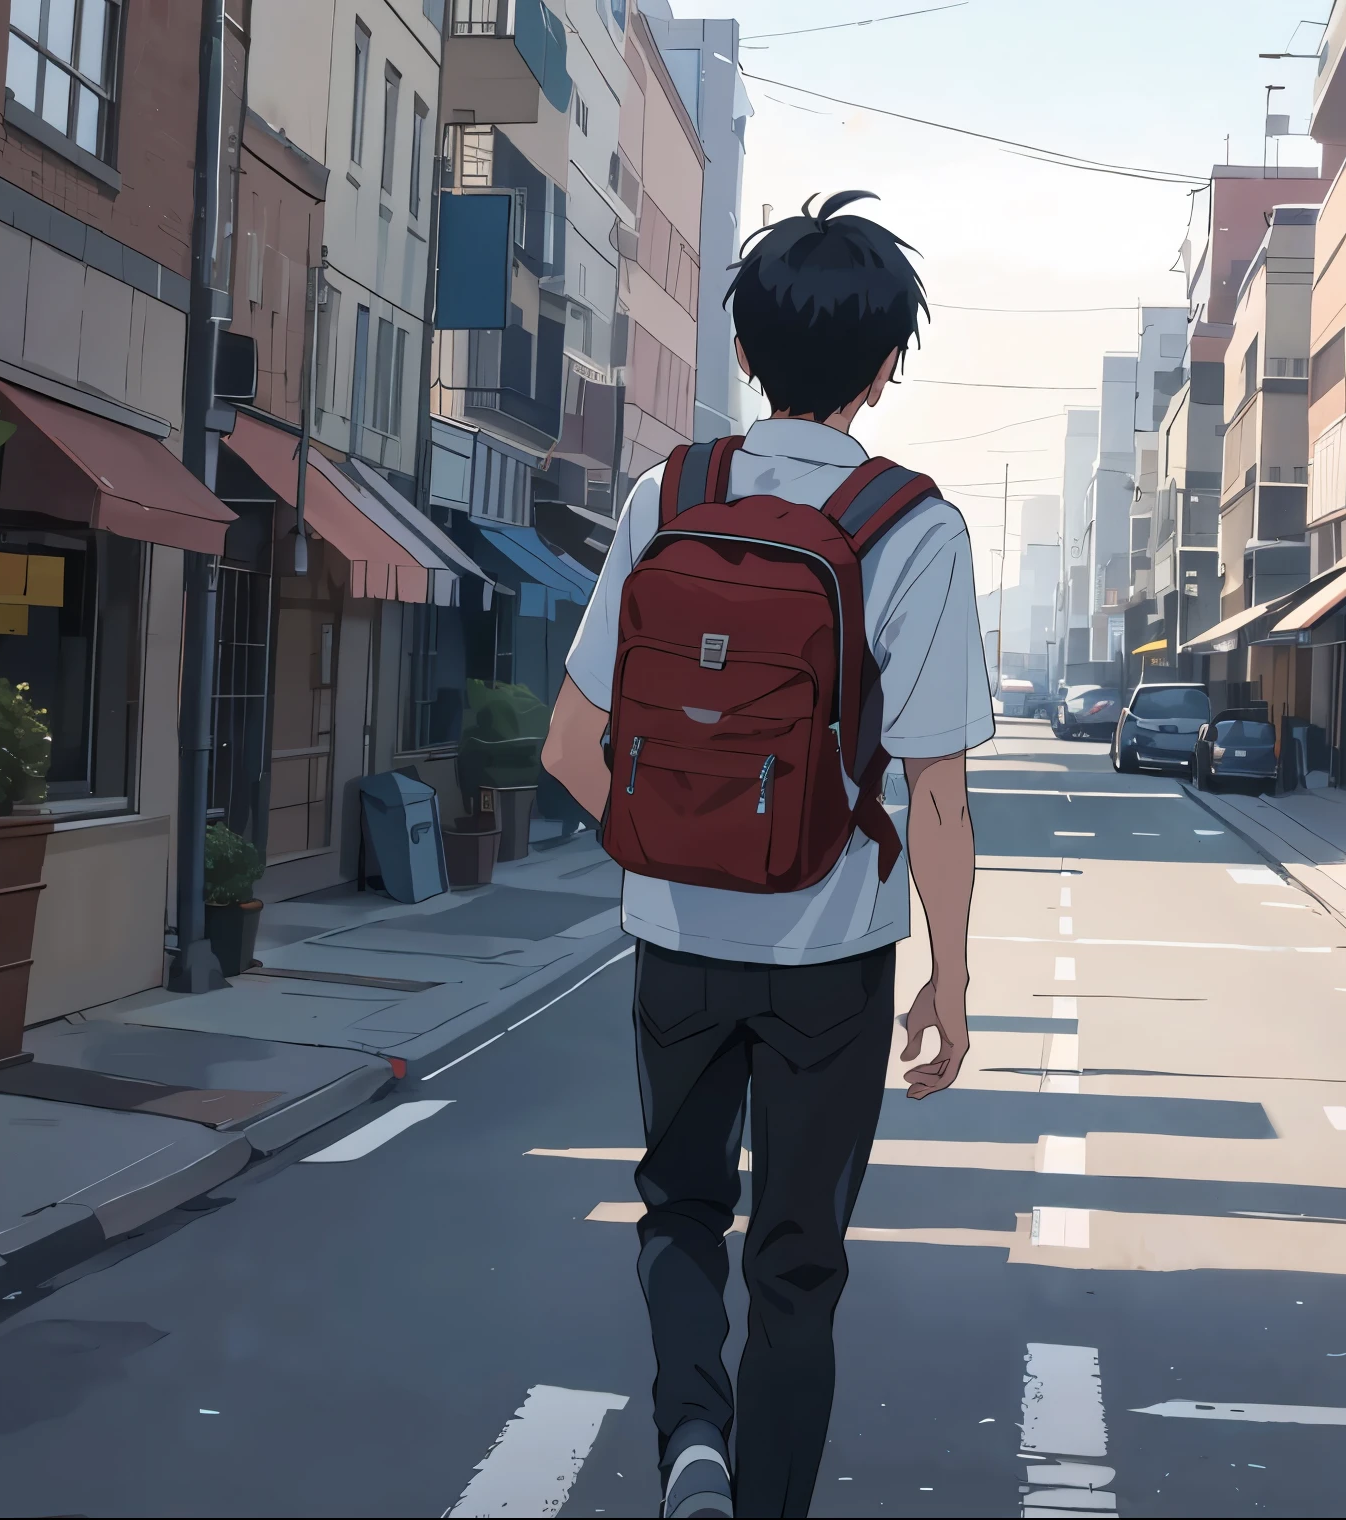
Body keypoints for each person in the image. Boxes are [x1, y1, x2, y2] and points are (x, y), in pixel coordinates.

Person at [541, 190, 991, 1520]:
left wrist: (668, 848)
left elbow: (572, 743)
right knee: (799, 1261)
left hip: (673, 945)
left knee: (681, 1212)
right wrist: (948, 982)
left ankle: (689, 1438)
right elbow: (940, 797)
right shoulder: (917, 529)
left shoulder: (664, 497)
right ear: (886, 365)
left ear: (744, 351)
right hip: (829, 960)